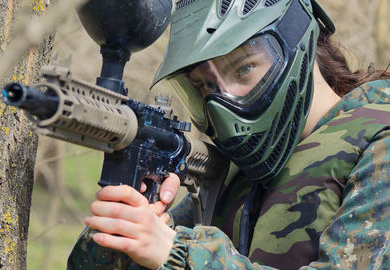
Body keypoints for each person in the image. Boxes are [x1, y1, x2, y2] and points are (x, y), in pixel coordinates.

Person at [68, 0, 390, 269]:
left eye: (244, 69)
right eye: (204, 86)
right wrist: (128, 220)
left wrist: (178, 254)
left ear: (296, 40)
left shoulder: (379, 141)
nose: (223, 104)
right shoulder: (237, 172)